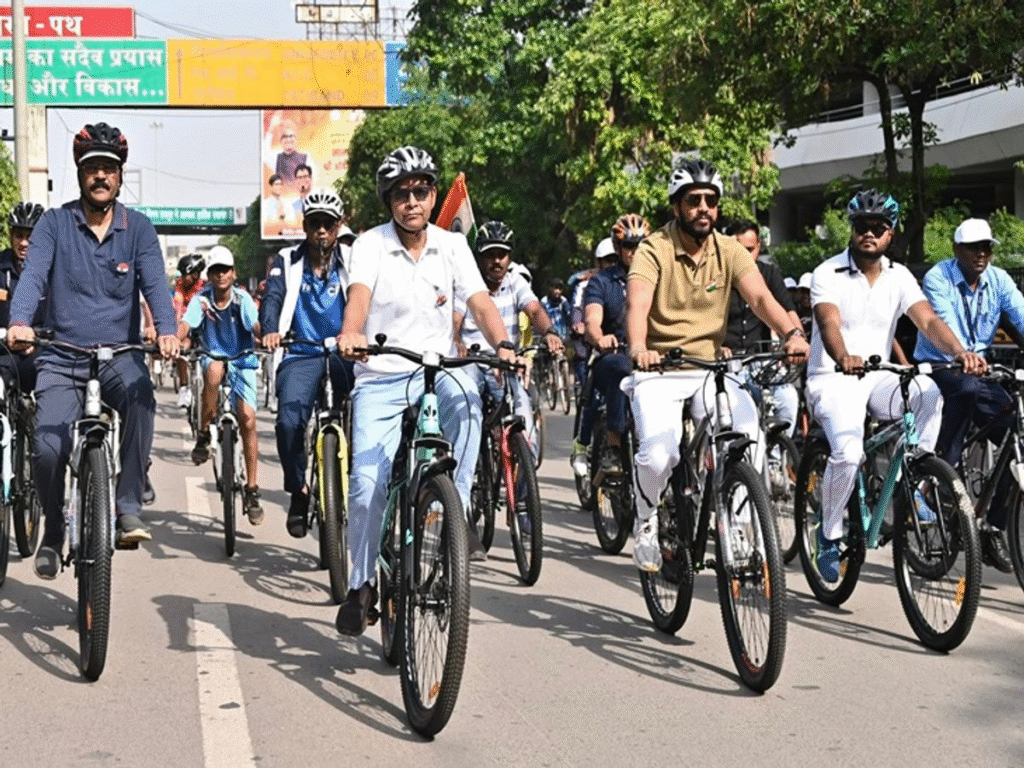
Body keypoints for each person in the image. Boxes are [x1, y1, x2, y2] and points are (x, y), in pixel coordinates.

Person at [335, 145, 515, 635]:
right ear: (388, 201)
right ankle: (361, 583)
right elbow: (359, 298)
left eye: (421, 191)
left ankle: (450, 516)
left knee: (472, 404)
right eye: (401, 194)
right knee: (367, 486)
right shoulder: (369, 245)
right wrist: (353, 334)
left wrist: (502, 343)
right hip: (382, 374)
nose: (412, 201)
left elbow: (479, 302)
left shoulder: (452, 246)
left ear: (434, 196)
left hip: (438, 370)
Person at [7, 121, 180, 579]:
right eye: (91, 169)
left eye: (109, 168)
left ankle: (127, 505)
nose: (100, 176)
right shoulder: (54, 224)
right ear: (80, 175)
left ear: (120, 175)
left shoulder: (138, 228)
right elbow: (32, 278)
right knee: (47, 448)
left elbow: (156, 287)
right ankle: (53, 531)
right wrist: (20, 322)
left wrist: (167, 330)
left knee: (142, 398)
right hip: (62, 355)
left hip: (120, 353)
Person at [624, 159, 809, 572]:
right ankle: (647, 519)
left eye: (711, 200)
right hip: (659, 370)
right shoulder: (654, 249)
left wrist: (790, 334)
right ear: (677, 207)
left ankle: (740, 525)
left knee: (749, 435)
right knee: (658, 455)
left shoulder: (729, 250)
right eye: (694, 201)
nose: (704, 208)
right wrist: (639, 347)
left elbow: (762, 299)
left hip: (710, 369)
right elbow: (636, 303)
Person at [805, 190, 985, 581]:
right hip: (834, 377)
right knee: (849, 454)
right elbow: (828, 323)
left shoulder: (899, 275)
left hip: (879, 374)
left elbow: (928, 321)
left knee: (929, 391)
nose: (869, 234)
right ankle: (830, 535)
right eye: (861, 227)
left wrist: (959, 352)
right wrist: (843, 357)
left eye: (878, 228)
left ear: (891, 234)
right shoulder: (826, 273)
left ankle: (913, 482)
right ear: (852, 232)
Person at [914, 217, 1024, 572]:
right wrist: (962, 353)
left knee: (1017, 436)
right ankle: (944, 466)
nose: (981, 254)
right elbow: (941, 323)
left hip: (980, 371)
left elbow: (1022, 318)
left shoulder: (1000, 280)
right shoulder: (938, 277)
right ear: (957, 249)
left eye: (986, 247)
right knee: (964, 388)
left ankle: (993, 525)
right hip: (941, 366)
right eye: (973, 247)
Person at [260, 189, 355, 537]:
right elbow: (272, 299)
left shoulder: (354, 259)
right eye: (314, 224)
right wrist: (271, 329)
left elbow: (369, 297)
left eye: (328, 225)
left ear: (337, 226)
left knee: (368, 414)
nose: (321, 232)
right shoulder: (286, 261)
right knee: (288, 424)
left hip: (345, 355)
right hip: (301, 354)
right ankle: (298, 490)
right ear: (304, 225)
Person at [454, 220, 563, 470]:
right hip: (474, 362)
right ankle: (468, 480)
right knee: (467, 414)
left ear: (509, 257)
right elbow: (454, 320)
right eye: (490, 255)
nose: (496, 261)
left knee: (524, 421)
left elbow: (534, 310)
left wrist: (550, 331)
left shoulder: (516, 282)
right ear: (479, 258)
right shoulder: (468, 284)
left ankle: (525, 503)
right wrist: (455, 340)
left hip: (506, 363)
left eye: (502, 254)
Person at [179, 246, 264, 524]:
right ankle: (204, 433)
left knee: (248, 420)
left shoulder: (243, 300)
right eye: (215, 271)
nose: (220, 276)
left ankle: (251, 490)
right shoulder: (201, 301)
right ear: (210, 275)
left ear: (233, 273)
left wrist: (268, 336)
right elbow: (186, 324)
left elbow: (255, 326)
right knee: (214, 371)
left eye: (225, 270)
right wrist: (175, 339)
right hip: (213, 356)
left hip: (243, 360)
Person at [578, 214, 650, 475]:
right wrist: (600, 338)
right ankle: (613, 444)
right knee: (621, 370)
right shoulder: (602, 281)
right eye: (629, 247)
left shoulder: (660, 277)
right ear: (618, 249)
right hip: (614, 355)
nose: (635, 252)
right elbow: (592, 319)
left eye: (641, 245)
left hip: (653, 355)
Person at [723, 219, 802, 437]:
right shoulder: (718, 277)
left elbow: (788, 310)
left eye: (750, 250)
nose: (745, 257)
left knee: (788, 401)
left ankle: (777, 462)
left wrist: (798, 339)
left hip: (763, 360)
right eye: (739, 251)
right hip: (728, 363)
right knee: (737, 417)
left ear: (758, 246)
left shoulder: (769, 273)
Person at [569, 237, 618, 475]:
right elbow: (580, 312)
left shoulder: (639, 280)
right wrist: (584, 329)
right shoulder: (589, 284)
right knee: (593, 396)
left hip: (631, 350)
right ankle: (583, 444)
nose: (612, 264)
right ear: (598, 262)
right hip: (595, 346)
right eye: (608, 260)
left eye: (614, 260)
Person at [0, 201, 46, 393]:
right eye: (19, 236)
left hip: (40, 350)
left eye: (31, 236)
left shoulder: (53, 269)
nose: (24, 243)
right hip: (4, 350)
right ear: (11, 237)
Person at [173, 252, 206, 408]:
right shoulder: (180, 284)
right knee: (180, 348)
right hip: (186, 324)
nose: (182, 277)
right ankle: (184, 387)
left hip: (204, 327)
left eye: (183, 273)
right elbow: (178, 305)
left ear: (194, 274)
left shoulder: (205, 286)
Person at [275, 121, 308, 186]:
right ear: (280, 140)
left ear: (296, 138)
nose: (288, 139)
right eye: (285, 136)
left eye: (291, 136)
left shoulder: (305, 158)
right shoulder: (276, 158)